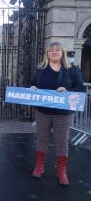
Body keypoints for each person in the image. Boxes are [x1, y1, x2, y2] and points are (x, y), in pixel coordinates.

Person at [30, 42, 83, 185]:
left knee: (61, 140)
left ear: (62, 53)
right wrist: (33, 87)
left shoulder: (71, 70)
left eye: (57, 50)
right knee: (42, 138)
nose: (54, 52)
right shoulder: (41, 70)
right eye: (51, 50)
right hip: (43, 111)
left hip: (63, 113)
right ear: (47, 54)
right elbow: (32, 84)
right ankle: (39, 166)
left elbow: (80, 89)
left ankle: (61, 171)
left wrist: (68, 92)